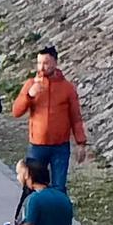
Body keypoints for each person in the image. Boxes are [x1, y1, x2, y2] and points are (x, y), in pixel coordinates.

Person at [11, 45, 86, 189]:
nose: (41, 67)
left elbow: (76, 117)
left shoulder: (67, 88)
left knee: (59, 187)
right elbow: (16, 112)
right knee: (33, 186)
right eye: (39, 63)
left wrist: (81, 143)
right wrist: (29, 95)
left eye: (45, 63)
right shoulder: (31, 84)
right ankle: (33, 205)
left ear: (55, 63)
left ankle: (57, 204)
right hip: (37, 146)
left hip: (60, 147)